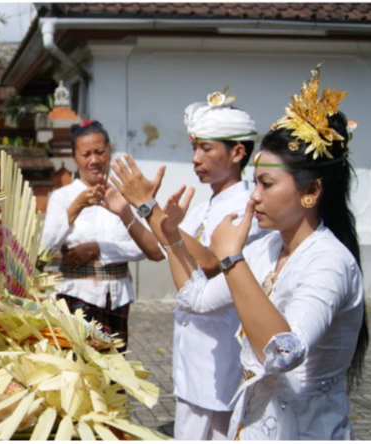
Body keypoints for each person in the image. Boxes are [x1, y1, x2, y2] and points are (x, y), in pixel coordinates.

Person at [112, 66, 368, 440]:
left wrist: (231, 258)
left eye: (266, 183)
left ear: (311, 191)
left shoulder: (329, 260)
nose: (255, 195)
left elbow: (282, 353)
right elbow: (194, 297)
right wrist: (172, 237)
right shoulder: (269, 247)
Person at [111, 89, 267, 439]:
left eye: (206, 148)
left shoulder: (247, 207)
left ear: (238, 152)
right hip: (194, 357)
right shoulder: (201, 207)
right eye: (194, 147)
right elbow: (164, 245)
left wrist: (150, 207)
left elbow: (214, 263)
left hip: (222, 356)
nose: (195, 158)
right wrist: (130, 211)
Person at [41, 121, 164, 353]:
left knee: (115, 375)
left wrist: (99, 248)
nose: (94, 160)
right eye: (86, 154)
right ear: (75, 158)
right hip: (75, 297)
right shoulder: (62, 197)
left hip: (117, 298)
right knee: (79, 374)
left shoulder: (124, 195)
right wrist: (75, 207)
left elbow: (145, 246)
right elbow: (45, 248)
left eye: (100, 152)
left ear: (109, 152)